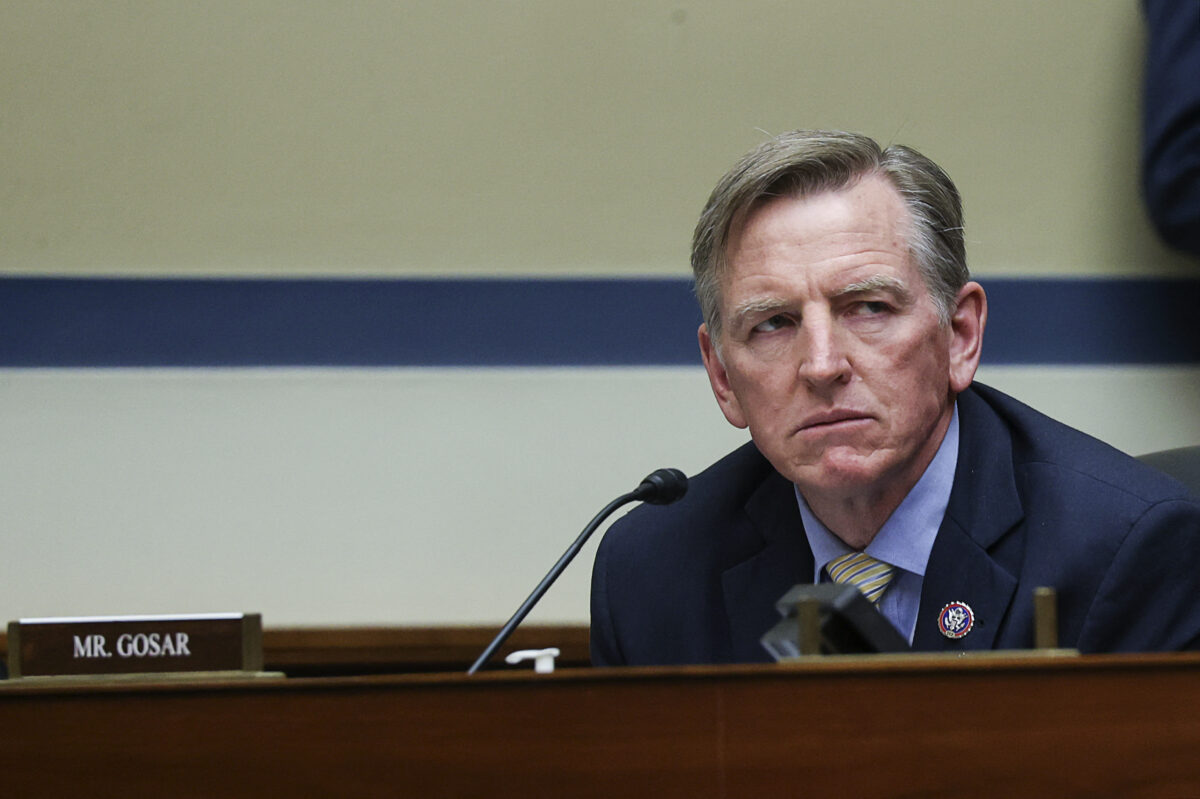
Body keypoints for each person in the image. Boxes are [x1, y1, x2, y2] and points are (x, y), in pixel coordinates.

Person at [590, 130, 1200, 666]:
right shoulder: (654, 571)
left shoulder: (1127, 550)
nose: (822, 365)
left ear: (960, 336)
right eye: (773, 323)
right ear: (723, 376)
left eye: (868, 308)